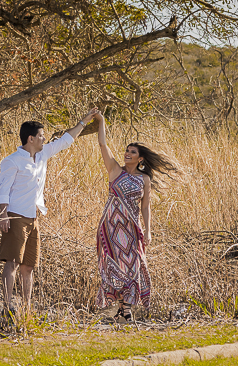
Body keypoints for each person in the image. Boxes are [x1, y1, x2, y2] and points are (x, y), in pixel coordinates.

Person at [0, 108, 98, 321]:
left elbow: (65, 140)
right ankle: (7, 307)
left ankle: (26, 309)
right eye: (41, 135)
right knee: (12, 263)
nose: (45, 138)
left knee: (28, 266)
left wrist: (84, 121)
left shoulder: (42, 155)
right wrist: (3, 214)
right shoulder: (12, 160)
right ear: (31, 138)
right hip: (15, 215)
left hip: (33, 217)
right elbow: (3, 189)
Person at [92, 109, 176, 321]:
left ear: (140, 159)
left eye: (132, 152)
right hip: (111, 226)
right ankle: (124, 311)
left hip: (132, 227)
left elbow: (146, 206)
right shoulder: (114, 171)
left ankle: (125, 310)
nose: (127, 154)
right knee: (115, 266)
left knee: (134, 265)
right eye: (126, 151)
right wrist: (101, 121)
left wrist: (148, 231)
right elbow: (103, 144)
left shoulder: (144, 179)